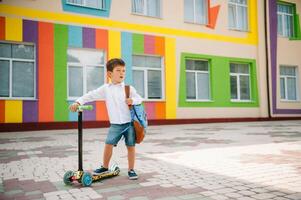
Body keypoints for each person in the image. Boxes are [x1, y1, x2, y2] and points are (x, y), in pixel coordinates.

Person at [69, 58, 143, 180]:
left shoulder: (128, 89)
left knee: (131, 146)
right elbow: (91, 95)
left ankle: (131, 169)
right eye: (118, 70)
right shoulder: (106, 89)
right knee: (108, 144)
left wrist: (133, 100)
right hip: (115, 125)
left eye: (124, 71)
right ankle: (105, 166)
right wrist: (78, 102)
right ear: (109, 74)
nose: (121, 73)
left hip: (129, 124)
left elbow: (139, 99)